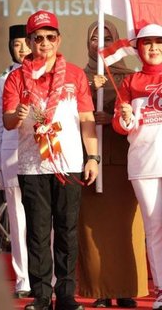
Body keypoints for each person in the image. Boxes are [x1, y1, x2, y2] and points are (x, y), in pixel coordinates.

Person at [3, 10, 98, 310]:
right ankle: (42, 295)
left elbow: (86, 117)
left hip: (68, 163)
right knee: (38, 232)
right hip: (32, 165)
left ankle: (67, 294)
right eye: (38, 38)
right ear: (29, 41)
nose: (45, 43)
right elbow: (8, 121)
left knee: (68, 230)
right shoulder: (17, 77)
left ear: (58, 39)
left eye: (50, 37)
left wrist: (92, 156)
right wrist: (16, 116)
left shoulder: (75, 75)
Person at [78, 21, 147, 308]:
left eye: (108, 37)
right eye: (96, 38)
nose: (101, 43)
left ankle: (126, 289)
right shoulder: (79, 77)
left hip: (123, 163)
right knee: (93, 230)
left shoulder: (132, 77)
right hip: (91, 163)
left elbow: (141, 120)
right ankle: (100, 291)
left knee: (126, 229)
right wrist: (90, 102)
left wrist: (115, 117)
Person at [113, 23, 162, 310]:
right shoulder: (131, 82)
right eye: (148, 43)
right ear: (138, 48)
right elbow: (121, 127)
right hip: (144, 162)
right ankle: (160, 289)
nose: (154, 48)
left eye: (158, 42)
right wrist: (127, 115)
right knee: (154, 227)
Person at [0, 24, 31, 298]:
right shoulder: (2, 82)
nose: (23, 49)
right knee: (18, 221)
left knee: (45, 222)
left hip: (44, 157)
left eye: (26, 43)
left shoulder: (48, 77)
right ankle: (23, 279)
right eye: (17, 45)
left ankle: (48, 277)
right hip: (12, 157)